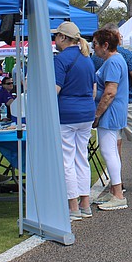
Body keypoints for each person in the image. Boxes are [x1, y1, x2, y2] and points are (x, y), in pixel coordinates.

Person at [92, 23, 132, 194]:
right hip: (127, 101)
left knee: (114, 145)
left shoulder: (97, 58)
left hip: (109, 104)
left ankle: (118, 182)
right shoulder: (125, 55)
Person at [52, 22, 97, 221]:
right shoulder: (87, 58)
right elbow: (94, 90)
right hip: (86, 112)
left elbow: (55, 90)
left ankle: (73, 205)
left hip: (67, 114)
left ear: (62, 37)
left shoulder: (61, 60)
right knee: (81, 158)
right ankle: (85, 202)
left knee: (67, 160)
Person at [91, 28, 130, 210]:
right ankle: (116, 191)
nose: (94, 48)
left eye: (96, 45)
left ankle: (118, 194)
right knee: (111, 151)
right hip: (114, 111)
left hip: (110, 112)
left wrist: (97, 114)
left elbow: (110, 92)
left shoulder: (113, 62)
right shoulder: (114, 60)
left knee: (108, 151)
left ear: (105, 45)